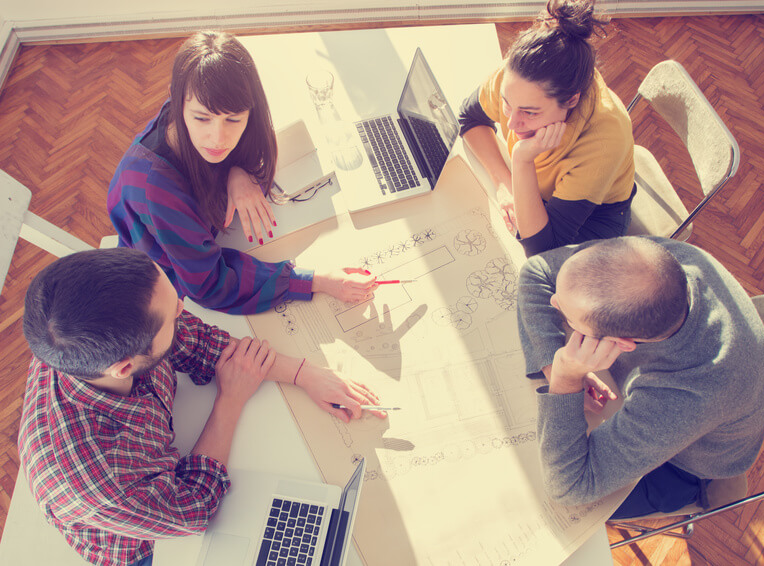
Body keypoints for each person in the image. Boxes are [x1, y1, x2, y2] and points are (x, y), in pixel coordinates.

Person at [18, 248, 385, 566]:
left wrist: (305, 373)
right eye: (173, 312)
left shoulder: (99, 323)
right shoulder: (100, 482)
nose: (182, 305)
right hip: (138, 538)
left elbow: (200, 344)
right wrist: (230, 400)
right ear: (125, 367)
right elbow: (195, 507)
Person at [108, 31, 375, 315]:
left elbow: (254, 144)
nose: (218, 138)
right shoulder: (154, 187)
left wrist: (235, 172)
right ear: (176, 100)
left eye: (233, 119)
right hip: (160, 293)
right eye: (202, 119)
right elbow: (210, 285)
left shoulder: (198, 108)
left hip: (208, 239)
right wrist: (314, 281)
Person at [517, 237, 764, 517]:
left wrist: (566, 380)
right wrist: (552, 365)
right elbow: (536, 271)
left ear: (623, 343)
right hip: (662, 402)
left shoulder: (689, 394)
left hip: (684, 467)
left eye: (569, 317)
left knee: (537, 500)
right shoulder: (658, 264)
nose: (553, 301)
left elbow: (568, 488)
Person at [459, 0, 635, 257]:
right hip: (542, 192)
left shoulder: (604, 140)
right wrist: (504, 183)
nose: (511, 124)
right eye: (507, 105)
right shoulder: (519, 78)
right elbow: (470, 118)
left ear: (571, 100)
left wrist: (521, 159)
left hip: (594, 217)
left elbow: (542, 249)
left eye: (530, 113)